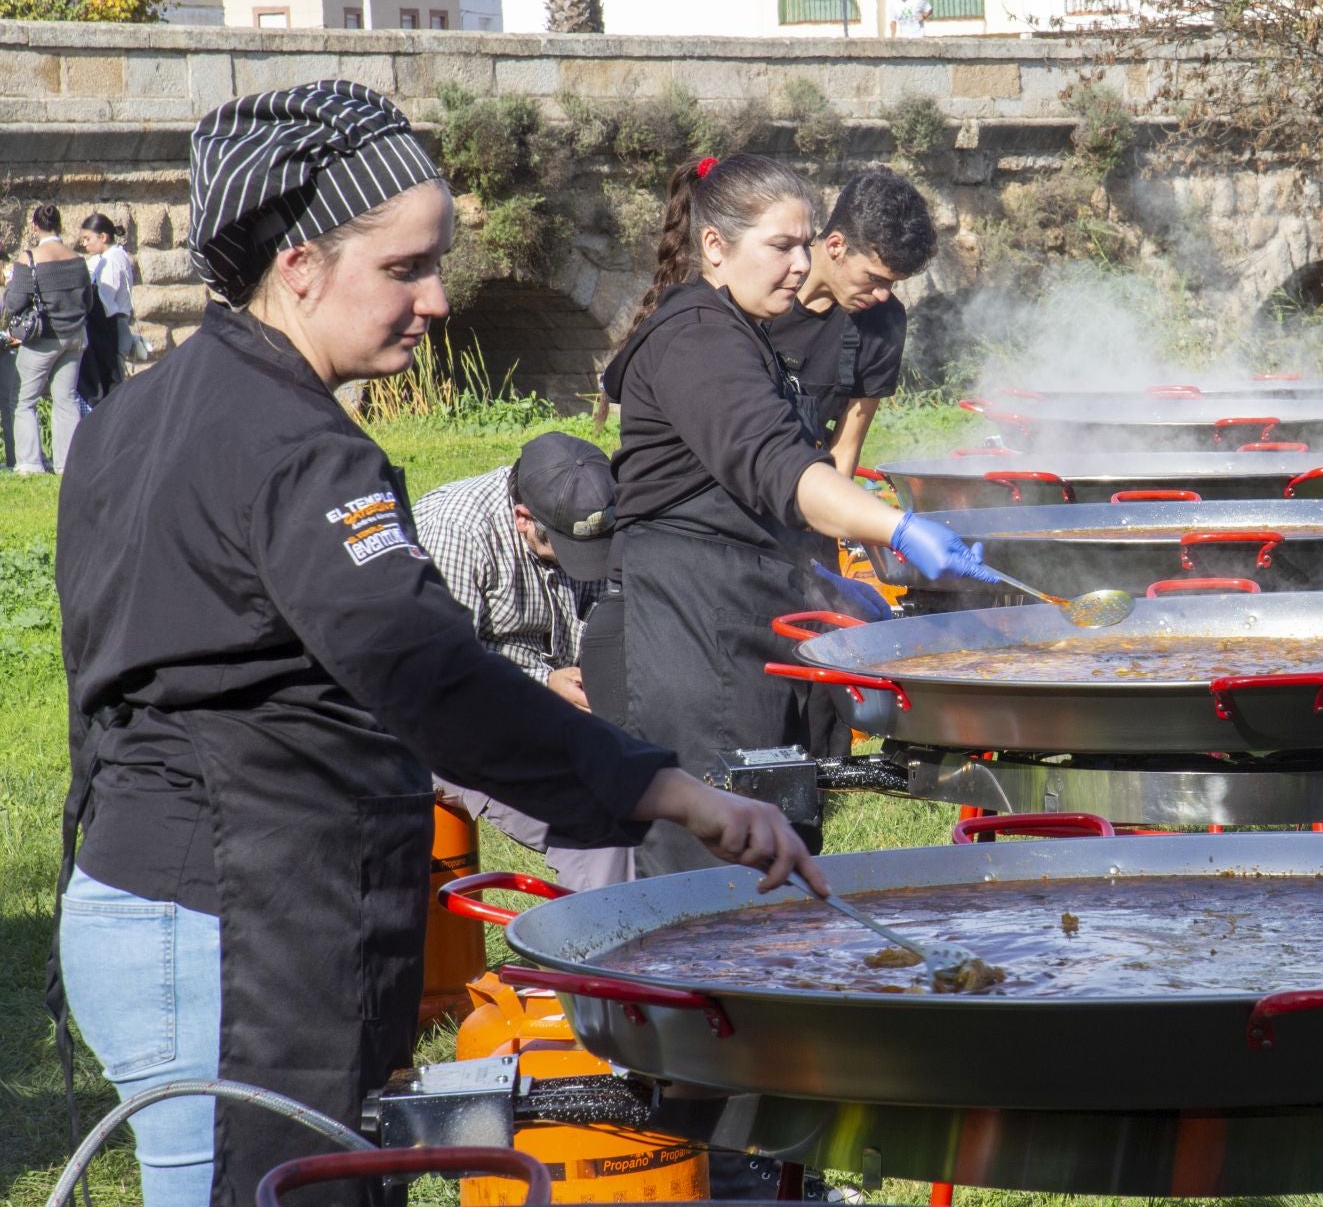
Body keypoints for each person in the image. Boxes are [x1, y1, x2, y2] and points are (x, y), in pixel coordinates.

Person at [50, 82, 824, 1207]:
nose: (440, 298)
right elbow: (433, 678)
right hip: (240, 920)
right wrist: (665, 789)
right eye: (406, 268)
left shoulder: (142, 406)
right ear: (301, 265)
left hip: (136, 897)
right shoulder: (304, 452)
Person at [600, 152, 993, 882]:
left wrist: (831, 580)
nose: (799, 263)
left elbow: (795, 482)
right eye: (782, 246)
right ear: (715, 247)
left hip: (746, 611)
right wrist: (897, 528)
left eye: (804, 244)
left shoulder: (745, 330)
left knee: (777, 850)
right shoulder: (697, 338)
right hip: (690, 632)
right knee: (713, 882)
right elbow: (782, 468)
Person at [413, 431, 661, 890]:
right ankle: (598, 953)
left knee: (668, 781)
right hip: (448, 725)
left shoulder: (599, 509)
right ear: (523, 518)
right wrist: (543, 682)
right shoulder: (456, 530)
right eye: (566, 554)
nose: (582, 569)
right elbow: (436, 675)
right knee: (599, 823)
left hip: (553, 717)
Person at [767, 169, 935, 477]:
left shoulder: (884, 320)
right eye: (875, 278)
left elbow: (846, 445)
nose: (883, 295)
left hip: (805, 486)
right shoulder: (762, 288)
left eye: (894, 283)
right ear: (836, 246)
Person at [3, 204, 92, 472]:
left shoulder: (29, 259)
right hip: (75, 335)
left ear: (34, 227)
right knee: (66, 399)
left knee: (22, 400)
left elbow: (15, 302)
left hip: (43, 338)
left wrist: (7, 287)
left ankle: (30, 463)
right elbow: (88, 301)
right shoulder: (77, 259)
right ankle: (67, 465)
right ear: (60, 226)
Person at [77, 212, 135, 403]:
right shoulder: (109, 257)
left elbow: (105, 301)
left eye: (87, 239)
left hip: (110, 325)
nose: (84, 244)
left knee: (111, 382)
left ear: (103, 237)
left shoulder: (112, 259)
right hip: (112, 324)